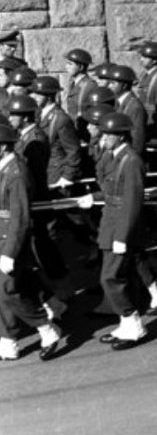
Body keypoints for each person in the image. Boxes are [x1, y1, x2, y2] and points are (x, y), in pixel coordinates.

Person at [0, 121, 66, 362]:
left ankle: (46, 328)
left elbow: (20, 216)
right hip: (1, 234)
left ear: (3, 146)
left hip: (11, 239)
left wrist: (9, 252)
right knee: (13, 286)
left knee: (7, 290)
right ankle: (7, 338)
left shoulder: (16, 173)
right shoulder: (4, 167)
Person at [87, 111, 149, 350]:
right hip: (110, 224)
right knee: (119, 276)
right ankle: (126, 323)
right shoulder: (113, 156)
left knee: (110, 277)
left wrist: (123, 236)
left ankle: (132, 322)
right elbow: (109, 188)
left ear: (121, 136)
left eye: (109, 134)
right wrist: (92, 197)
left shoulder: (130, 161)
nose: (105, 138)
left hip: (121, 227)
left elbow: (132, 202)